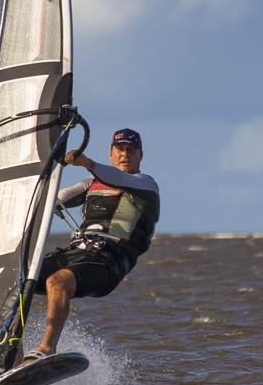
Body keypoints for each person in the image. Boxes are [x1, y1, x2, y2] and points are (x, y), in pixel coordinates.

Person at [20, 127, 160, 361]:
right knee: (17, 279)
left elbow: (117, 178)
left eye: (131, 150)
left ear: (140, 155)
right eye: (120, 149)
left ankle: (46, 349)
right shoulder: (91, 184)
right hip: (76, 252)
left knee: (58, 281)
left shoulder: (146, 186)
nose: (125, 154)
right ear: (111, 153)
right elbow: (51, 200)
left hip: (109, 261)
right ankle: (10, 354)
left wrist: (87, 162)